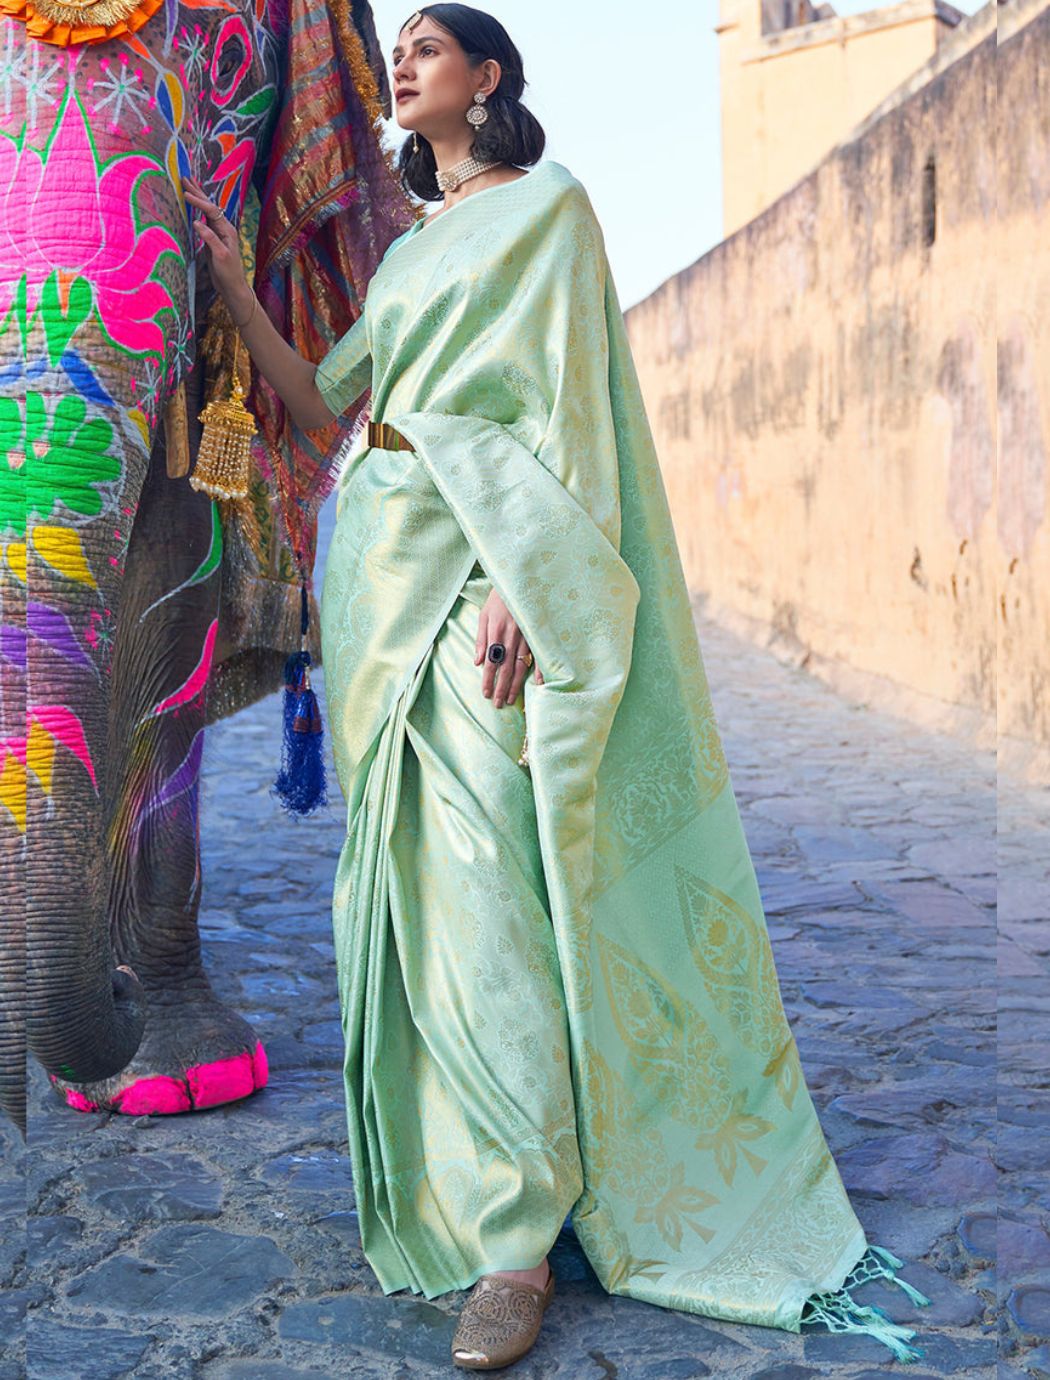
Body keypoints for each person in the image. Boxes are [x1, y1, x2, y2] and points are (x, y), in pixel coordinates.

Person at [183, 4, 933, 1372]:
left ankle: (518, 1246)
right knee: (410, 892)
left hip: (480, 575)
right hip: (375, 572)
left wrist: (535, 585)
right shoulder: (415, 249)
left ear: (492, 77)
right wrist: (233, 283)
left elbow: (570, 410)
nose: (402, 62)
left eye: (430, 45)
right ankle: (471, 1187)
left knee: (487, 898)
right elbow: (320, 403)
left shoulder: (551, 210)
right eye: (396, 46)